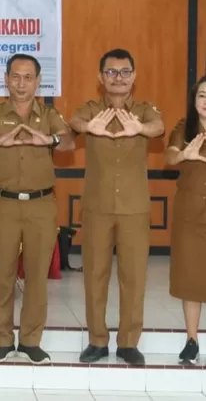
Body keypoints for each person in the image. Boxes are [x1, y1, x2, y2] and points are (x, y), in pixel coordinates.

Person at [0, 54, 75, 364]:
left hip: (41, 205)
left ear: (38, 81)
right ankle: (3, 339)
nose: (21, 83)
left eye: (28, 77)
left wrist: (50, 139)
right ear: (6, 79)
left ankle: (30, 341)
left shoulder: (49, 115)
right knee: (3, 275)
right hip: (3, 204)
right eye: (15, 76)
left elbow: (69, 143)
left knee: (37, 276)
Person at [69, 48, 164, 366]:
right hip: (97, 206)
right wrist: (88, 128)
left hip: (134, 207)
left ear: (134, 76)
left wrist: (140, 129)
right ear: (101, 77)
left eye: (124, 72)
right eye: (111, 72)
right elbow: (74, 121)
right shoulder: (91, 109)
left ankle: (128, 343)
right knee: (95, 275)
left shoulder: (145, 110)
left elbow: (159, 127)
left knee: (133, 277)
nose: (118, 78)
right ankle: (97, 341)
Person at [164, 75, 206, 365]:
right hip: (191, 214)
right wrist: (183, 155)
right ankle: (192, 340)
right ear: (194, 100)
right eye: (202, 95)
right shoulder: (185, 128)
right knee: (191, 278)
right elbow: (168, 156)